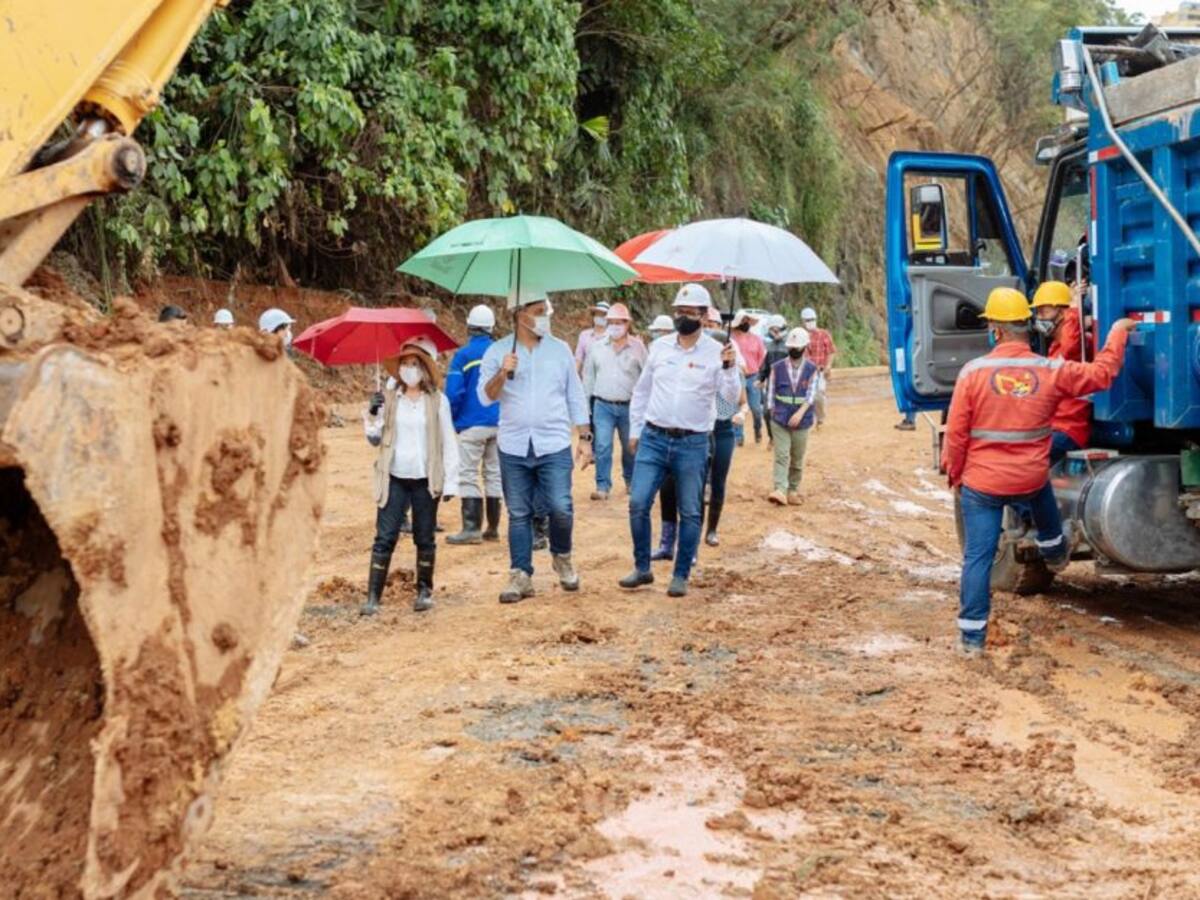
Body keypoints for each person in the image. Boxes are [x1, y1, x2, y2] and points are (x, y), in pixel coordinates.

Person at [943, 287, 1136, 656]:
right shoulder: (1048, 370)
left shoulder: (972, 373)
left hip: (982, 484)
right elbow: (1102, 374)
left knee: (978, 559)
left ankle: (970, 640)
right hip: (1029, 478)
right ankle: (1054, 551)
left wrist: (955, 475)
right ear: (1026, 328)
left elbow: (957, 434)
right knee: (1040, 494)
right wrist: (1118, 333)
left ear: (995, 331)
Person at [620, 283, 740, 598]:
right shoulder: (659, 348)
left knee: (690, 510)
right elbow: (642, 391)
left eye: (689, 312)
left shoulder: (719, 352)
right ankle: (642, 567)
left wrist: (729, 369)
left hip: (693, 442)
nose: (682, 316)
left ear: (703, 315)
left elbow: (730, 400)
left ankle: (681, 574)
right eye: (679, 311)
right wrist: (635, 430)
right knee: (637, 502)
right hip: (654, 438)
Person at [479, 290, 592, 604]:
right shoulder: (498, 352)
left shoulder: (560, 351)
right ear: (519, 314)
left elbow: (575, 394)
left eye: (546, 311)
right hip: (514, 445)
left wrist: (584, 437)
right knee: (518, 513)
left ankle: (562, 555)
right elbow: (485, 397)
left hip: (554, 443)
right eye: (539, 311)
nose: (545, 317)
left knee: (560, 507)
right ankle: (520, 574)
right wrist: (503, 372)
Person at [361, 337, 459, 615]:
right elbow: (374, 439)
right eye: (404, 364)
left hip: (425, 479)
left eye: (415, 364)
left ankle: (424, 592)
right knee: (385, 536)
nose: (409, 369)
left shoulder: (438, 402)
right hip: (394, 478)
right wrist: (372, 414)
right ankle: (372, 596)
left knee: (424, 536)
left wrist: (451, 480)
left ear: (425, 369)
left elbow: (448, 441)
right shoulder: (390, 399)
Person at [444, 304, 503, 544]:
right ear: (491, 328)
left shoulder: (463, 356)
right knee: (493, 474)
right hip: (499, 422)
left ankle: (471, 528)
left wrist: (453, 421)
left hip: (472, 424)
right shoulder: (500, 353)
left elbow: (453, 393)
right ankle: (493, 528)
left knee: (468, 473)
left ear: (469, 326)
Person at [583, 303, 647, 501]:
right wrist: (586, 408)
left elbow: (647, 378)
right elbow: (588, 379)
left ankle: (631, 482)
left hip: (629, 406)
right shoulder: (596, 347)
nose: (615, 326)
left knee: (631, 446)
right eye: (611, 322)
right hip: (602, 405)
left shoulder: (638, 347)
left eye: (619, 322)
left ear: (628, 324)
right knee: (602, 446)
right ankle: (602, 485)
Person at [1030, 280, 1091, 464]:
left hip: (1069, 430)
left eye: (1044, 311)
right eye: (1038, 311)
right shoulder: (1055, 349)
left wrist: (1074, 308)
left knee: (1028, 461)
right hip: (1053, 427)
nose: (1039, 317)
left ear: (1063, 313)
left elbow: (1071, 346)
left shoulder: (1078, 346)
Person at [766, 327, 820, 505]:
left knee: (797, 458)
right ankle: (780, 489)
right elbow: (770, 393)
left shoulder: (812, 369)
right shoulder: (777, 368)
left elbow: (811, 396)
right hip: (780, 419)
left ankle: (793, 490)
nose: (794, 350)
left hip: (802, 420)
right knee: (781, 455)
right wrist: (772, 412)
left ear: (805, 347)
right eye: (792, 347)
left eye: (797, 347)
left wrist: (800, 412)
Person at [730, 310, 766, 445]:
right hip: (737, 376)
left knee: (756, 408)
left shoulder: (757, 339)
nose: (746, 323)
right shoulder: (731, 339)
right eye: (743, 321)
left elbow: (762, 359)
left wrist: (762, 377)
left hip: (753, 376)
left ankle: (758, 429)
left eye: (747, 321)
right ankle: (739, 437)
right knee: (737, 407)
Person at [800, 307, 837, 425]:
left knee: (819, 394)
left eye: (811, 319)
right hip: (804, 371)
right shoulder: (800, 335)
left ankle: (820, 418)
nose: (810, 322)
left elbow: (831, 351)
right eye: (807, 320)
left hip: (820, 370)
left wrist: (828, 366)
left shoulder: (824, 334)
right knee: (806, 396)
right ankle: (808, 418)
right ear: (802, 321)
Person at [757, 315, 788, 445]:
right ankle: (772, 437)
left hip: (787, 386)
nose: (774, 333)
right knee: (766, 413)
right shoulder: (769, 346)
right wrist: (761, 378)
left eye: (776, 330)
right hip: (771, 386)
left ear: (783, 329)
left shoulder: (790, 345)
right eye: (771, 330)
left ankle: (786, 439)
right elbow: (765, 365)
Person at [575, 300, 611, 372]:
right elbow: (578, 360)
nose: (600, 317)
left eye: (603, 315)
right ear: (594, 315)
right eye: (598, 314)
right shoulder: (584, 335)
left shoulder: (612, 337)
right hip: (587, 380)